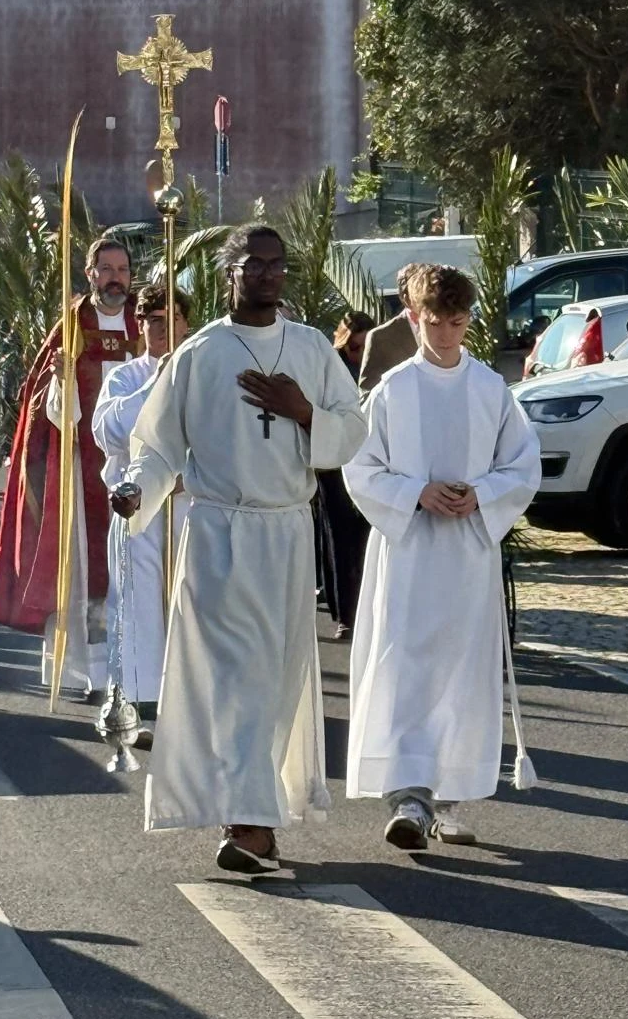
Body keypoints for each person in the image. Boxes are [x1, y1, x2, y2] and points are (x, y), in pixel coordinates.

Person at [111, 225, 367, 874]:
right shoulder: (200, 354)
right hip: (219, 534)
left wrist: (304, 411)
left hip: (283, 535)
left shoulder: (310, 348)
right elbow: (160, 445)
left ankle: (253, 817)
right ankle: (247, 823)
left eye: (278, 265)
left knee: (270, 682)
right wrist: (137, 492)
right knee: (231, 681)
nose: (268, 275)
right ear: (231, 273)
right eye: (255, 264)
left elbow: (356, 425)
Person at [343, 265, 541, 850]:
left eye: (457, 323)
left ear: (470, 320)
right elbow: (360, 466)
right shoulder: (394, 389)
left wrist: (481, 493)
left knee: (460, 667)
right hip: (408, 551)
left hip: (466, 552)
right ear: (414, 318)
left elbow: (521, 465)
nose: (447, 335)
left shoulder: (489, 390)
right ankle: (408, 794)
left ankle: (449, 797)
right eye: (435, 323)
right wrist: (415, 493)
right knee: (406, 663)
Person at [0, 237, 140, 695]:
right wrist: (62, 381)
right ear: (90, 274)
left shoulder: (147, 322)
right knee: (90, 565)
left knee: (137, 566)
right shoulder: (73, 324)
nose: (116, 278)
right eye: (106, 269)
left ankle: (136, 664)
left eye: (123, 269)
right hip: (83, 468)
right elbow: (44, 408)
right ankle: (93, 670)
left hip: (139, 464)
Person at [91, 282, 190, 738]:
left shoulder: (202, 373)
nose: (161, 329)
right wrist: (157, 382)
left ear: (187, 324)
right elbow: (108, 433)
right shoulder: (127, 377)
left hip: (189, 507)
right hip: (137, 510)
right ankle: (138, 700)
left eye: (170, 320)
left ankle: (187, 703)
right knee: (136, 604)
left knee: (189, 606)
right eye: (152, 320)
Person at [317, 310, 376, 641]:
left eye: (364, 348)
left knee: (365, 536)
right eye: (354, 348)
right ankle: (346, 615)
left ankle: (366, 608)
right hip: (335, 460)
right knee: (339, 537)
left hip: (366, 456)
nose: (359, 354)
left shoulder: (379, 365)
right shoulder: (331, 365)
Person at [358, 264, 421, 397]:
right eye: (420, 289)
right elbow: (367, 392)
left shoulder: (451, 327)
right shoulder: (381, 337)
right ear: (405, 296)